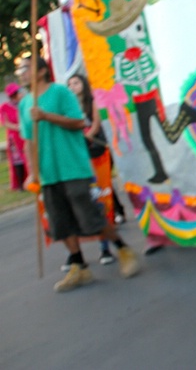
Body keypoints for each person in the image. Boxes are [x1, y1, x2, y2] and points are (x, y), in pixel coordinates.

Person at [17, 56, 140, 293]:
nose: (21, 72)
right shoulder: (24, 104)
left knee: (89, 216)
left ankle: (122, 248)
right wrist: (33, 173)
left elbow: (78, 122)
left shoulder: (60, 93)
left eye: (25, 68)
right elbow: (28, 141)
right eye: (20, 69)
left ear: (41, 71)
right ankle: (79, 265)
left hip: (72, 167)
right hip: (48, 172)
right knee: (59, 221)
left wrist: (46, 116)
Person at [67, 74, 117, 267]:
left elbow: (95, 125)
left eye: (76, 82)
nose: (73, 86)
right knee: (84, 200)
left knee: (101, 198)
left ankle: (106, 247)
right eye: (70, 84)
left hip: (96, 153)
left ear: (84, 85)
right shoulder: (67, 106)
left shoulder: (92, 102)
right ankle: (76, 254)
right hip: (78, 157)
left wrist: (85, 137)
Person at [1, 83, 28, 190]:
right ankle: (20, 184)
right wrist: (18, 127)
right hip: (14, 137)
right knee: (18, 160)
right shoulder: (5, 107)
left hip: (25, 135)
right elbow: (5, 122)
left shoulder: (24, 104)